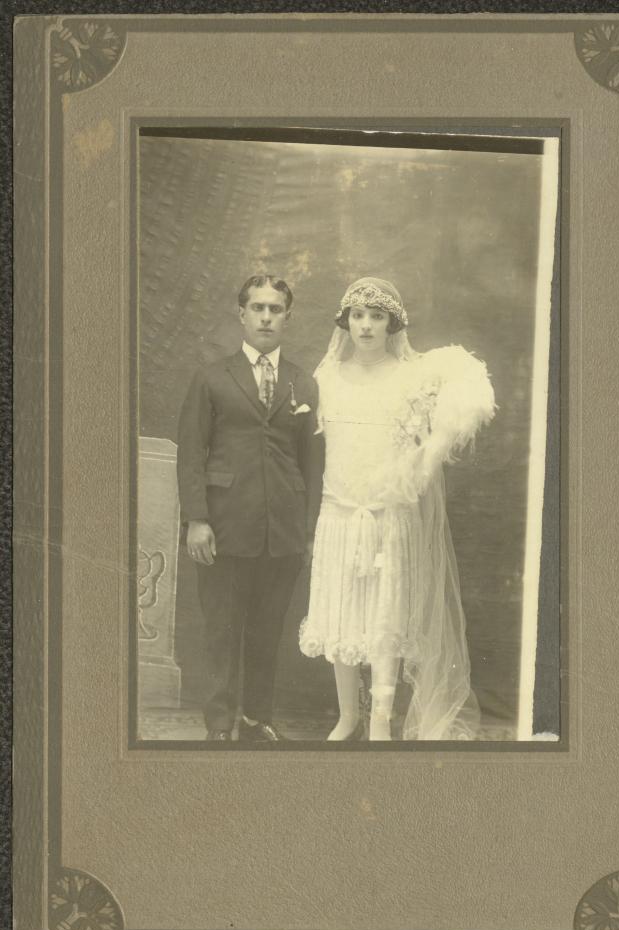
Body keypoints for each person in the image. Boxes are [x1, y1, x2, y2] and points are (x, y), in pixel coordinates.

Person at [299, 277, 495, 741]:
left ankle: (381, 721)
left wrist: (422, 463)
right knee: (341, 613)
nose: (366, 326)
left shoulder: (411, 378)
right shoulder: (325, 378)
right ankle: (348, 716)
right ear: (346, 322)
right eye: (358, 316)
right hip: (339, 512)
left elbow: (433, 439)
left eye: (377, 316)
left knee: (385, 618)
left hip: (389, 516)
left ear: (392, 324)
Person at [177, 274, 323, 742]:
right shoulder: (211, 377)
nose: (265, 317)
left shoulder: (304, 383)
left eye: (275, 309)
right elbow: (190, 453)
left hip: (282, 531)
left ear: (287, 318)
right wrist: (196, 519)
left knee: (266, 630)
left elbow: (313, 464)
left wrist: (309, 531)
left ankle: (258, 720)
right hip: (223, 526)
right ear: (241, 314)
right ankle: (220, 725)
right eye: (257, 307)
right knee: (221, 629)